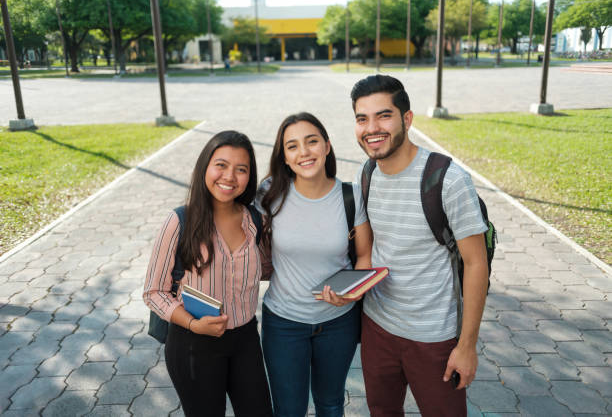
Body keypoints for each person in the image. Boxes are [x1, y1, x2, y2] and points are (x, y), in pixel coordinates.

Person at [350, 75, 489, 417]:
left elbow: (476, 264)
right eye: (362, 118)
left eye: (383, 116)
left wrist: (467, 346)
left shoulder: (449, 180)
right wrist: (347, 290)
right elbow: (368, 255)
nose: (372, 128)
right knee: (382, 412)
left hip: (434, 337)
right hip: (377, 328)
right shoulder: (365, 176)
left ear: (406, 119)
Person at [143, 130, 272, 417]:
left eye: (242, 169)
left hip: (245, 339)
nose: (229, 176)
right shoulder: (179, 221)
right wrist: (192, 323)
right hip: (193, 342)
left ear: (249, 177)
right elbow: (154, 292)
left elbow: (266, 268)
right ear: (205, 167)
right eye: (221, 165)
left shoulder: (255, 221)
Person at [256, 112, 373, 417]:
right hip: (283, 322)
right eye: (292, 146)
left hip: (339, 321)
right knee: (289, 410)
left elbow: (364, 255)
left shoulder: (350, 196)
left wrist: (352, 293)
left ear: (327, 146)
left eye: (311, 142)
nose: (304, 152)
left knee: (331, 404)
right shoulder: (269, 195)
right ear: (284, 156)